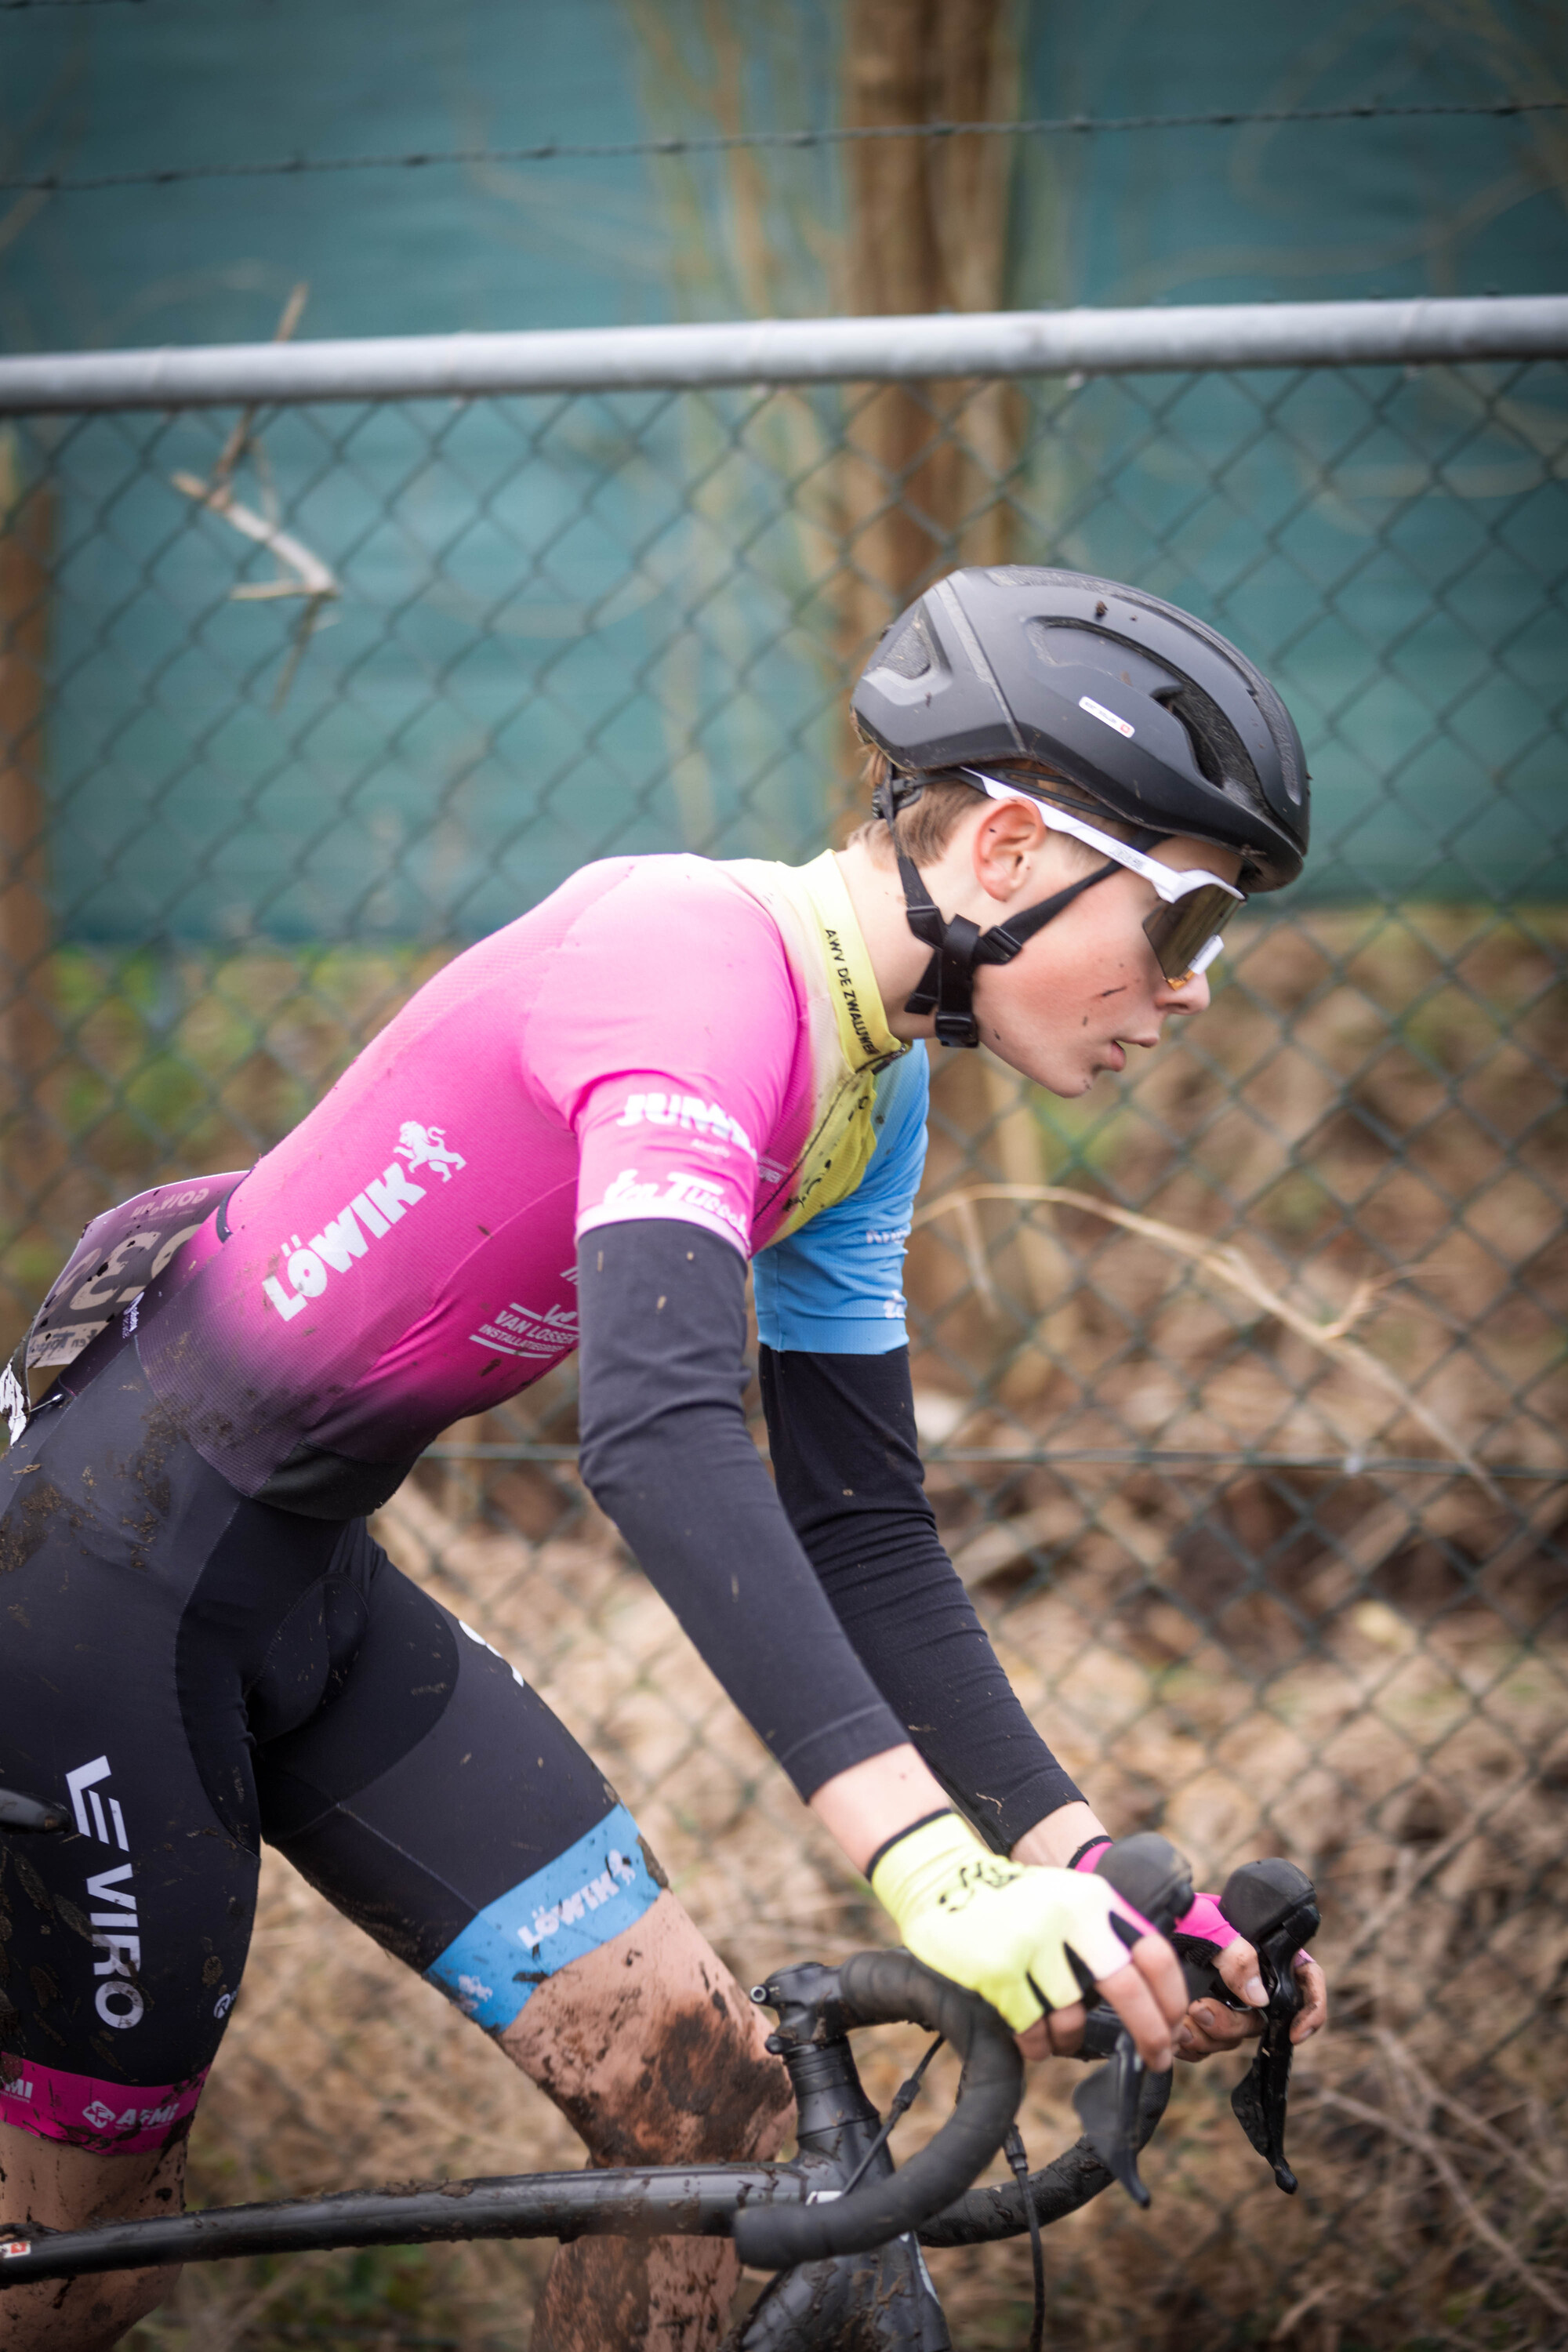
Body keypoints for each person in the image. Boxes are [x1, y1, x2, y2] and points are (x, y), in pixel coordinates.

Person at [0, 566, 1327, 2352]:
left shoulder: (875, 1079)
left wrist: (1075, 1864)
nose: (1188, 992)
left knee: (716, 2144)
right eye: (1178, 925)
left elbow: (861, 1522)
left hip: (302, 1589)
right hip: (91, 1600)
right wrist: (924, 1868)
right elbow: (660, 1436)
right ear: (1006, 851)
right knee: (81, 2265)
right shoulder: (689, 976)